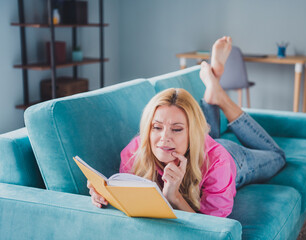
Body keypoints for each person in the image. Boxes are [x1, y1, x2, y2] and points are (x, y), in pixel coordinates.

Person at [87, 36, 286, 218]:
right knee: (202, 136)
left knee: (278, 156)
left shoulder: (218, 163)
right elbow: (129, 200)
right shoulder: (135, 151)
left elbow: (211, 227)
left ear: (193, 133)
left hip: (230, 155)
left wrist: (175, 197)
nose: (164, 138)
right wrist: (104, 195)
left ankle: (221, 99)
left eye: (176, 129)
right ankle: (213, 87)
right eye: (157, 127)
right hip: (198, 145)